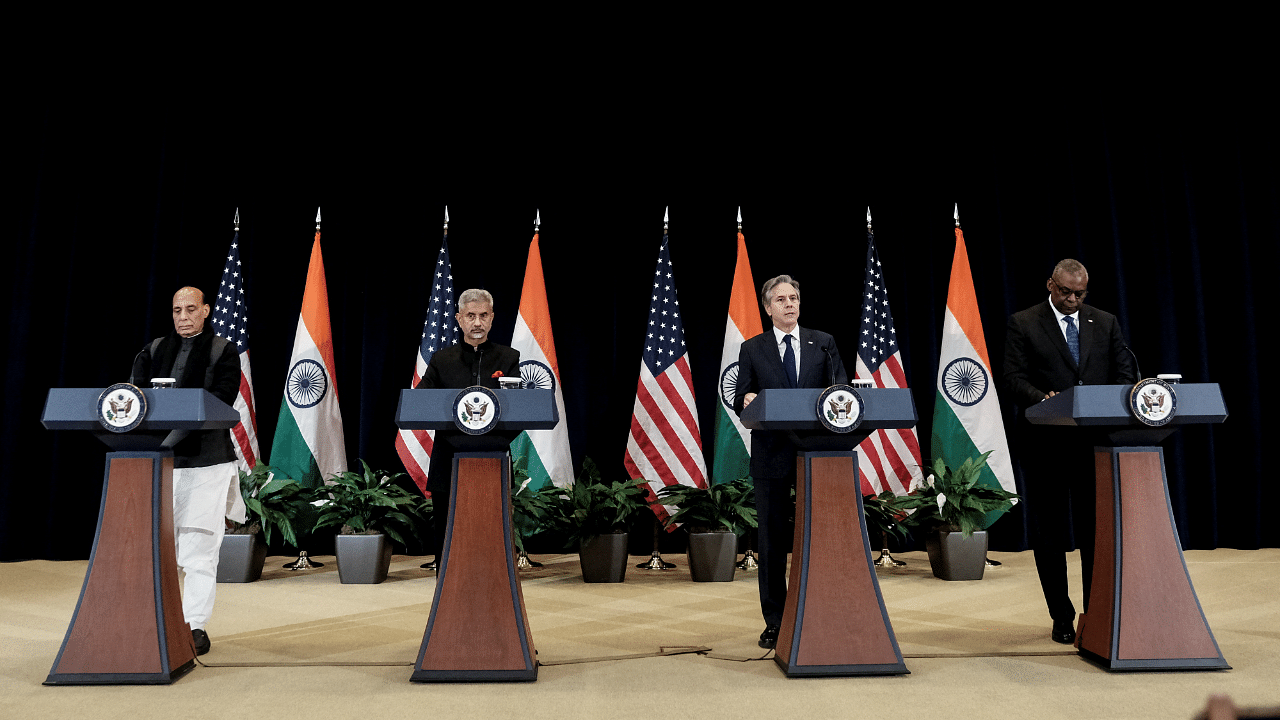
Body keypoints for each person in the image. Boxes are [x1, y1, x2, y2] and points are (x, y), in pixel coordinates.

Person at [1003, 259, 1137, 645]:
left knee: (1096, 532)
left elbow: (1124, 373)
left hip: (1094, 444)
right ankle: (1061, 616)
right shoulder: (1024, 322)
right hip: (1045, 445)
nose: (1073, 299)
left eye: (1079, 293)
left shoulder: (1105, 321)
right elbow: (1012, 378)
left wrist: (1111, 400)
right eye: (1066, 292)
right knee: (1051, 535)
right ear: (1051, 284)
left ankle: (1095, 613)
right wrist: (1043, 399)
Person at [130, 286, 246, 657]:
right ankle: (155, 620)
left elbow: (222, 400)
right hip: (158, 461)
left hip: (206, 463)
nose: (183, 316)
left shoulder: (223, 351)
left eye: (190, 309)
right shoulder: (153, 350)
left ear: (206, 311)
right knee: (158, 549)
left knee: (198, 550)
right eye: (177, 309)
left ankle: (194, 624)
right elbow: (134, 398)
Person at [733, 275, 847, 649]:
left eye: (794, 298)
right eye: (780, 299)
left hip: (818, 452)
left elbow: (841, 393)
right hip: (771, 454)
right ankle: (775, 621)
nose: (789, 304)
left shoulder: (823, 343)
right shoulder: (753, 348)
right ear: (768, 307)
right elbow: (740, 396)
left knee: (822, 536)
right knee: (771, 540)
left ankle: (822, 612)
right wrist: (746, 399)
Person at [415, 288, 520, 564]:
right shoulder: (441, 360)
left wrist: (490, 438)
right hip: (447, 460)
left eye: (483, 315)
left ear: (492, 318)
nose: (477, 322)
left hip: (492, 460)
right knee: (448, 538)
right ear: (459, 319)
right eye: (471, 316)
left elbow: (520, 410)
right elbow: (421, 403)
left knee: (491, 538)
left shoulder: (508, 359)